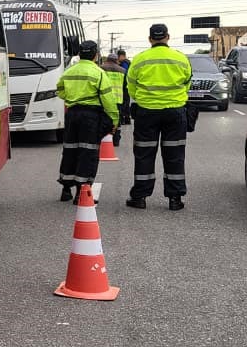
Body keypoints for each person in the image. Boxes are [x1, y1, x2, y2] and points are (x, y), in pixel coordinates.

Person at [126, 24, 193, 210]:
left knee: (144, 155)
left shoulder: (140, 59)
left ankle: (139, 197)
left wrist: (140, 100)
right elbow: (187, 84)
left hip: (146, 112)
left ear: (150, 39)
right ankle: (175, 199)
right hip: (175, 112)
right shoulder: (181, 58)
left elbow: (131, 86)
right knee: (175, 155)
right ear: (168, 37)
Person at [54, 41, 120, 202]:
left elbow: (59, 90)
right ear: (96, 55)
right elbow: (108, 100)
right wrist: (114, 120)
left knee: (70, 149)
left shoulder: (69, 71)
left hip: (72, 113)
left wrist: (72, 98)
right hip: (90, 116)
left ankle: (66, 189)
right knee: (87, 152)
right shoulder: (98, 73)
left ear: (79, 54)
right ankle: (81, 193)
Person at [102, 54, 131, 146]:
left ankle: (104, 138)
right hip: (118, 99)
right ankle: (116, 140)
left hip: (104, 98)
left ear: (107, 60)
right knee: (116, 120)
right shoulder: (123, 70)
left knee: (103, 119)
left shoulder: (101, 69)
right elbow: (126, 87)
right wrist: (126, 103)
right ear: (116, 61)